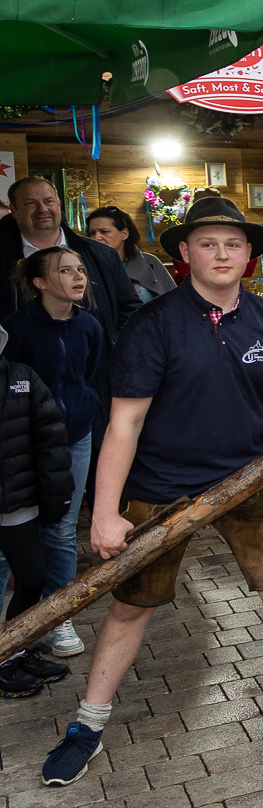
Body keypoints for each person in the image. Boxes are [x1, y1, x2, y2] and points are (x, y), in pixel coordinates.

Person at [43, 198, 263, 787]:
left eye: (233, 245)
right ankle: (87, 726)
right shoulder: (153, 323)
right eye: (208, 244)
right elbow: (124, 424)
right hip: (162, 488)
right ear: (184, 255)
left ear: (250, 256)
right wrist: (106, 514)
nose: (221, 254)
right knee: (132, 606)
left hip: (249, 477)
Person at [0, 247, 103, 659]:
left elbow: (88, 374)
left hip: (74, 437)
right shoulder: (16, 329)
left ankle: (57, 618)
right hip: (20, 445)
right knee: (8, 537)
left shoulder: (90, 326)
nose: (78, 277)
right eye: (65, 271)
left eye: (81, 270)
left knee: (60, 529)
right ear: (40, 282)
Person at [0, 176, 140, 437]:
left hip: (90, 390)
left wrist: (110, 347)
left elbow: (130, 308)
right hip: (19, 397)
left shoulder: (100, 254)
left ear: (59, 205)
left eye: (49, 201)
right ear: (14, 210)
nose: (43, 209)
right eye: (31, 203)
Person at [0, 312, 74, 699]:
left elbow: (51, 439)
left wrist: (54, 495)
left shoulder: (21, 377)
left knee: (31, 578)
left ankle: (15, 650)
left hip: (17, 505)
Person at [85, 206, 175, 302]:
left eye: (104, 232)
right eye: (92, 233)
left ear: (124, 234)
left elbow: (174, 299)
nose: (96, 237)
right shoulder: (85, 266)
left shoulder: (149, 262)